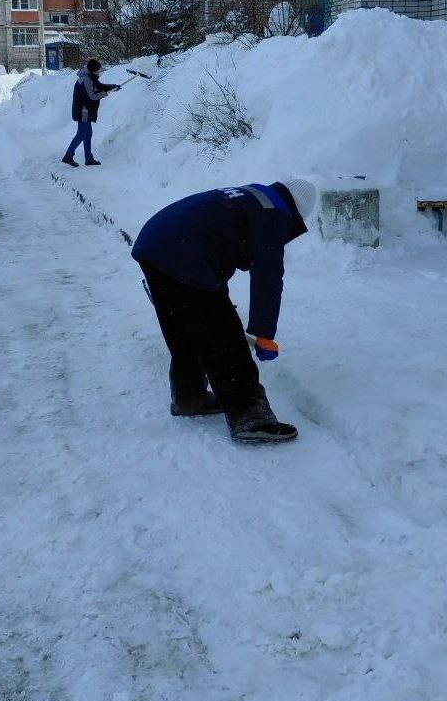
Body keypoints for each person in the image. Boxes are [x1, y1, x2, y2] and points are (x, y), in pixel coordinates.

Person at [131, 178, 316, 444]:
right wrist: (264, 334)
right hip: (185, 253)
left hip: (154, 243)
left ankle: (189, 397)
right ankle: (250, 417)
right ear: (296, 212)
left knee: (184, 326)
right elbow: (268, 278)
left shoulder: (255, 197)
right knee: (224, 337)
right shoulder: (273, 215)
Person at [62, 58, 121, 167]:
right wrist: (106, 93)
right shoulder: (86, 80)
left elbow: (99, 86)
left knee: (88, 134)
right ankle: (68, 156)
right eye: (98, 71)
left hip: (85, 110)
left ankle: (89, 159)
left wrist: (112, 86)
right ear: (93, 70)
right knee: (81, 134)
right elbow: (92, 96)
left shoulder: (90, 77)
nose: (99, 73)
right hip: (83, 111)